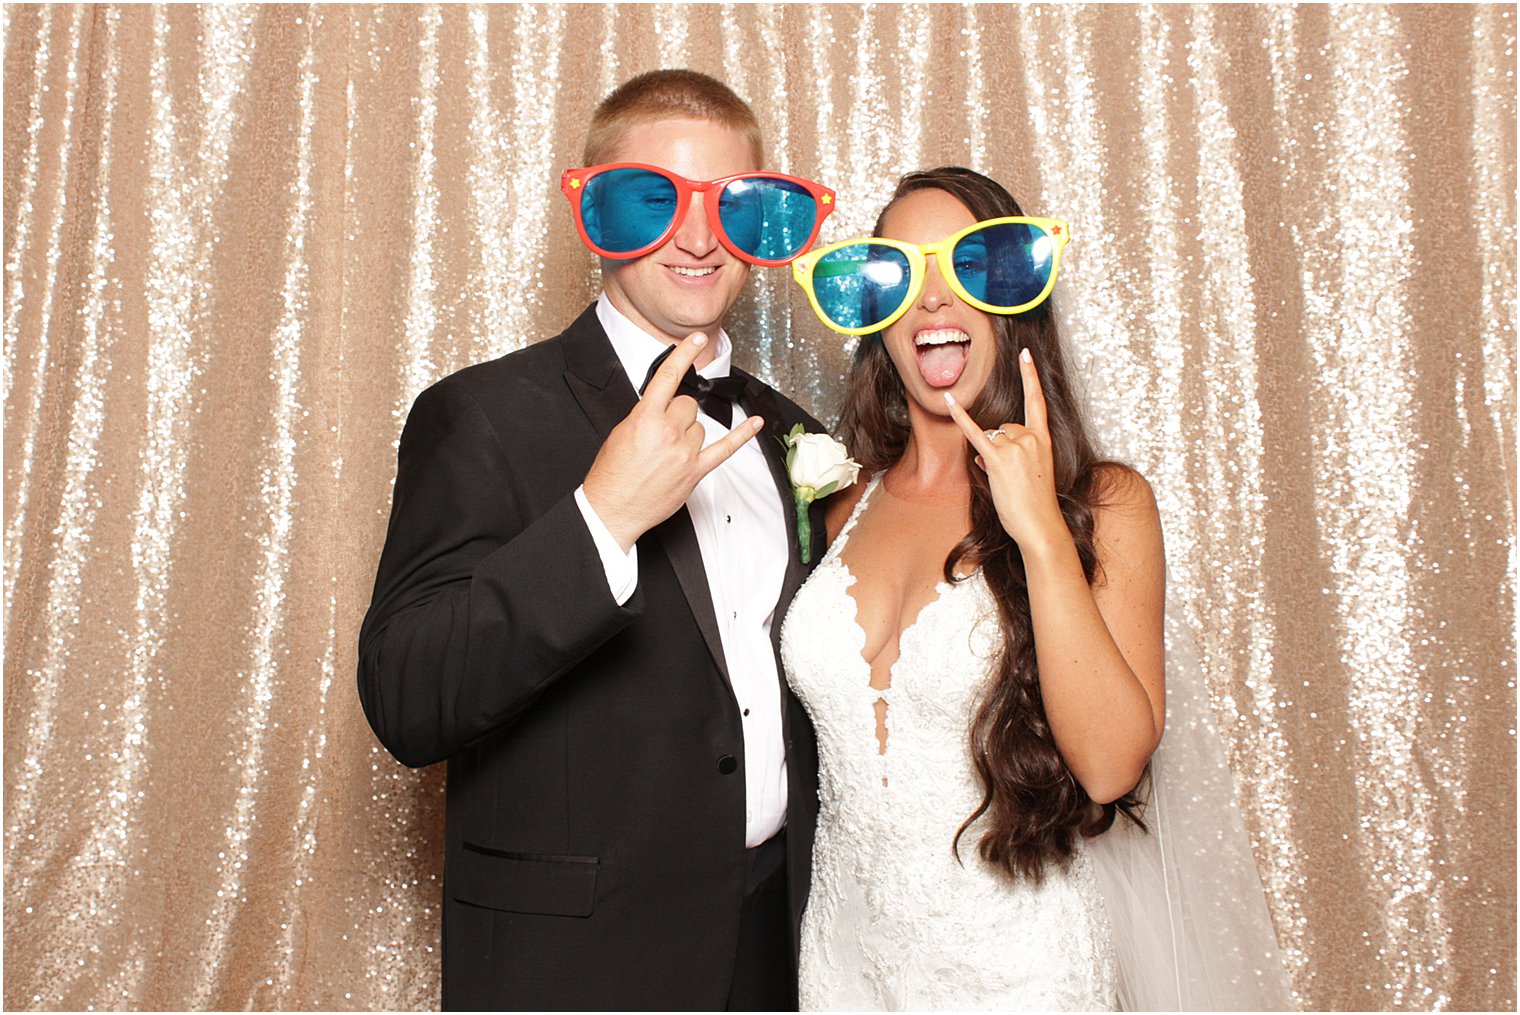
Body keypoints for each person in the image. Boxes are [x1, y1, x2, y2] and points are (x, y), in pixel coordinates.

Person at [357, 69, 837, 1011]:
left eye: (732, 205)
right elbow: (406, 696)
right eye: (653, 200)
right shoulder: (483, 415)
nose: (699, 238)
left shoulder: (793, 431)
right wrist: (601, 521)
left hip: (776, 947)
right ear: (597, 210)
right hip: (576, 963)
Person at [781, 167, 1293, 1010]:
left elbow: (1110, 766)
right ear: (878, 315)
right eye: (903, 273)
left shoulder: (1103, 503)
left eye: (966, 269)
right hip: (844, 963)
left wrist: (1041, 533)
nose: (935, 302)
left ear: (1015, 295)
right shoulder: (842, 499)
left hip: (1019, 968)